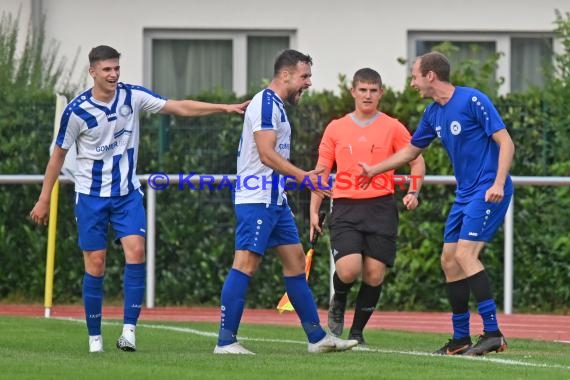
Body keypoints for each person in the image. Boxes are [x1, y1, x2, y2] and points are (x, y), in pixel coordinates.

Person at [29, 45, 250, 353]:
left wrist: (223, 108)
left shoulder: (131, 96)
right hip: (90, 197)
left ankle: (129, 332)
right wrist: (44, 199)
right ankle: (95, 339)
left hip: (126, 194)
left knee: (136, 251)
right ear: (92, 72)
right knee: (96, 264)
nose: (114, 74)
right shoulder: (77, 111)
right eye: (107, 69)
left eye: (117, 68)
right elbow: (57, 157)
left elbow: (178, 107)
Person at [360, 52, 515, 356]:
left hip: (487, 190)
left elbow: (506, 142)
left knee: (466, 255)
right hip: (465, 194)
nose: (412, 82)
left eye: (415, 76)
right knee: (449, 260)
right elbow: (410, 152)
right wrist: (375, 169)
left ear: (430, 75)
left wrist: (498, 183)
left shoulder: (473, 100)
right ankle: (460, 338)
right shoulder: (433, 113)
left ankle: (493, 333)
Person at [214, 49, 358, 355]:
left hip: (273, 200)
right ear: (286, 75)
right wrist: (305, 177)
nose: (308, 83)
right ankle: (225, 341)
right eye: (304, 76)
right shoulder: (266, 103)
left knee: (295, 263)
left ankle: (317, 338)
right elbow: (266, 154)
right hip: (257, 199)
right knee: (245, 264)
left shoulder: (276, 106)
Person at [309, 68, 425, 346]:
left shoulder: (393, 126)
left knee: (374, 275)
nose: (368, 95)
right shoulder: (336, 127)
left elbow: (416, 160)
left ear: (381, 93)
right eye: (363, 90)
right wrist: (314, 210)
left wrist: (414, 190)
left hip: (381, 208)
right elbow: (321, 171)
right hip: (346, 207)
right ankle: (338, 302)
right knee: (348, 270)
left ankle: (357, 333)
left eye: (373, 90)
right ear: (353, 92)